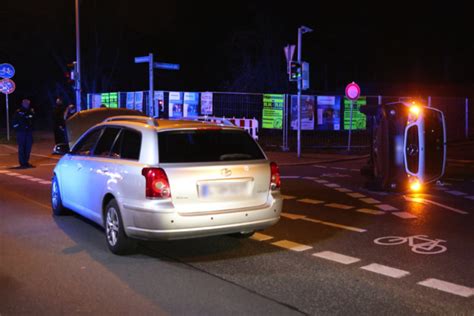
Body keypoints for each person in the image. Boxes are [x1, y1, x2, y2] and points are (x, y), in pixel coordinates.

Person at [12, 99, 35, 169]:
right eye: (26, 103)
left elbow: (33, 120)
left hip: (29, 132)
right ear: (22, 103)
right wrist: (18, 128)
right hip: (21, 132)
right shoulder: (19, 111)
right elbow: (14, 122)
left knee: (28, 147)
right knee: (22, 147)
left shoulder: (30, 111)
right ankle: (22, 163)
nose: (27, 104)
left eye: (28, 103)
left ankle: (26, 162)